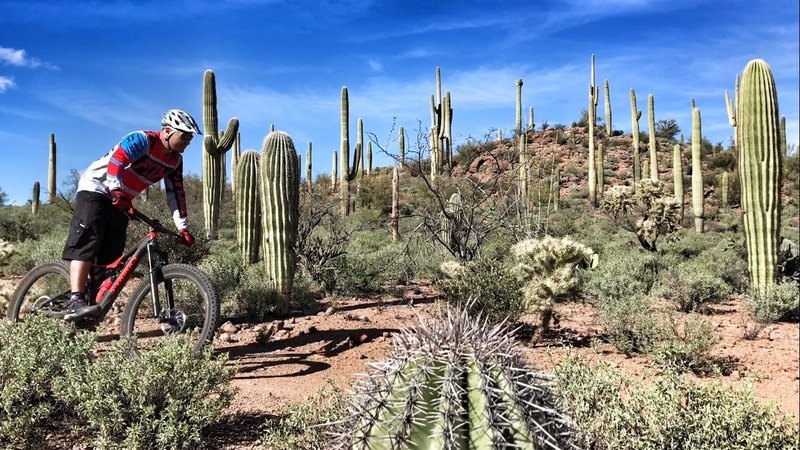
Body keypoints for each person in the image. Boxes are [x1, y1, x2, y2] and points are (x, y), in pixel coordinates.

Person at [61, 109, 200, 319]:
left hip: (122, 199)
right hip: (96, 188)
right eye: (185, 136)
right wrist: (116, 189)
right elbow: (118, 160)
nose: (188, 142)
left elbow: (176, 193)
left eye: (190, 137)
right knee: (87, 243)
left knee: (111, 258)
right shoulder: (142, 139)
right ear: (168, 131)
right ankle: (76, 299)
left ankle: (90, 309)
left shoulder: (175, 161)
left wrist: (183, 228)